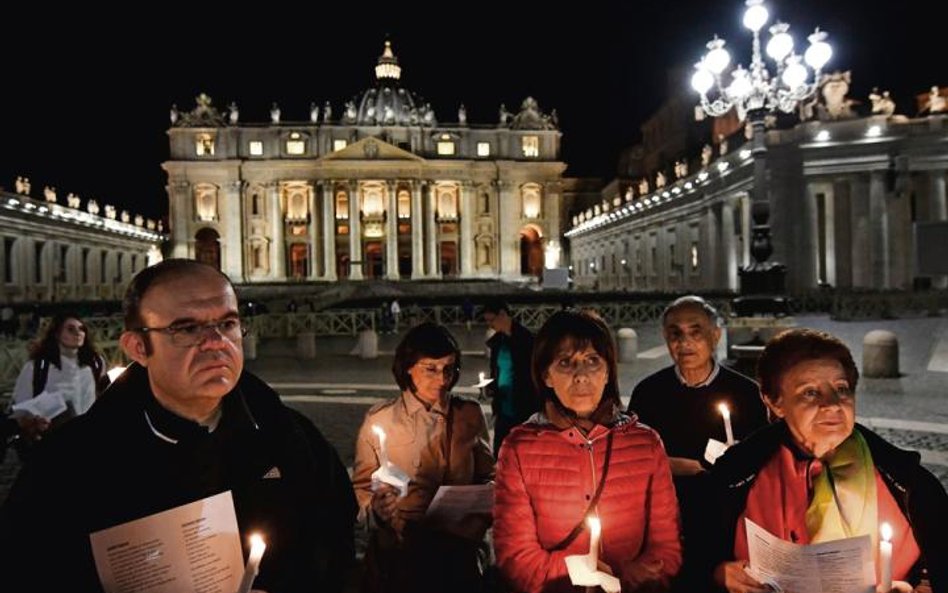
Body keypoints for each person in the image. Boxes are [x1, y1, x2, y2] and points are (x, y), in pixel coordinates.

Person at [0, 259, 356, 593]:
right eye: (186, 328)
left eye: (228, 323)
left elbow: (335, 542)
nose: (216, 342)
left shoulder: (292, 437)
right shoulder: (67, 464)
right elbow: (27, 571)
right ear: (138, 346)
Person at [709, 329, 947, 593]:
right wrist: (719, 574)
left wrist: (925, 586)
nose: (833, 405)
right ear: (774, 402)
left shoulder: (907, 482)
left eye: (841, 389)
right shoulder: (736, 475)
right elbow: (697, 558)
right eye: (810, 392)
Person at [493, 310, 682, 593]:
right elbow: (516, 559)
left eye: (593, 361)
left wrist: (620, 577)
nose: (581, 376)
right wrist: (579, 571)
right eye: (566, 363)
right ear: (546, 375)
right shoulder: (519, 449)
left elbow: (667, 550)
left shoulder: (646, 444)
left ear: (608, 372)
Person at [627, 295, 767, 591]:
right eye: (675, 333)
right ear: (666, 338)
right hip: (665, 522)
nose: (684, 342)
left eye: (696, 331)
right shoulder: (648, 393)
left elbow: (762, 465)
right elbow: (633, 461)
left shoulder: (746, 393)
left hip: (725, 522)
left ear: (715, 335)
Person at [352, 322, 494, 593]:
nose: (442, 379)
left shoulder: (469, 414)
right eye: (430, 369)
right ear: (407, 366)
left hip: (458, 555)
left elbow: (489, 475)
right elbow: (361, 489)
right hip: (401, 556)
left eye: (449, 369)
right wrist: (377, 511)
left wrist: (483, 503)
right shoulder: (381, 419)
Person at [11, 312, 109, 453]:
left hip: (88, 441)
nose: (78, 333)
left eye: (81, 329)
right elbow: (21, 408)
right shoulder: (37, 367)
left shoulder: (95, 364)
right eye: (70, 329)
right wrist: (35, 422)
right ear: (56, 334)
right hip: (51, 443)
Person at [483, 299, 538, 454]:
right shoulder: (498, 343)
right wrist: (491, 386)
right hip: (503, 409)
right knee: (500, 453)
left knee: (522, 451)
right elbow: (497, 371)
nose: (490, 325)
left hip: (523, 407)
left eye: (491, 320)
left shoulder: (527, 341)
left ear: (503, 314)